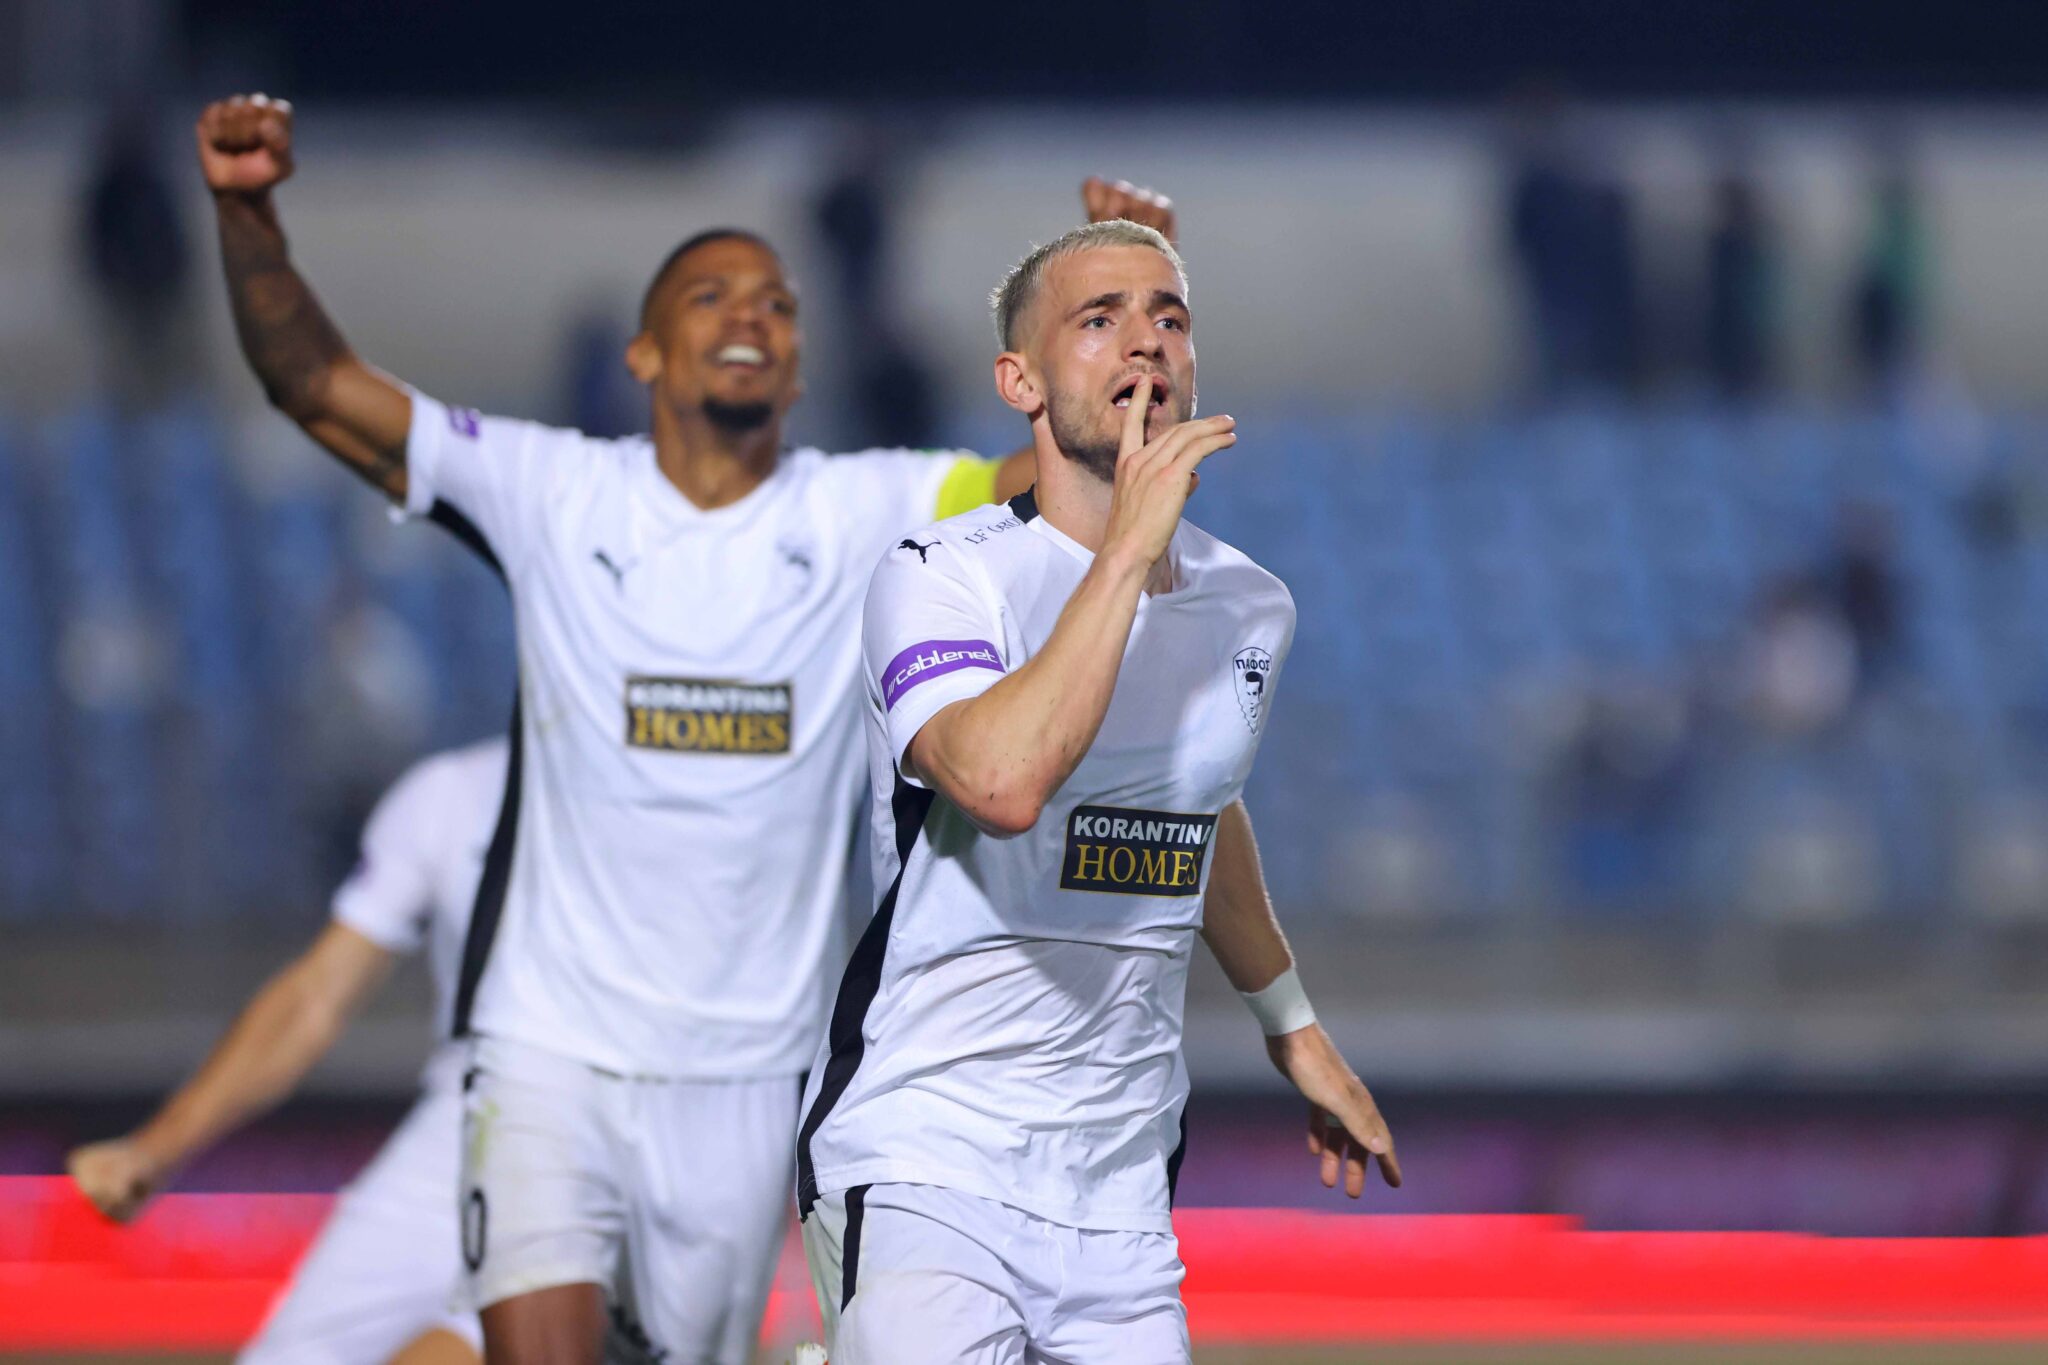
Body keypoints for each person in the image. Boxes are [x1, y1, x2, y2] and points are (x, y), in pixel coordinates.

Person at [192, 91, 1174, 1365]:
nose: (748, 316)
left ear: (800, 366)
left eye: (776, 304)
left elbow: (1068, 490)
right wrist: (248, 216)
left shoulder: (868, 509)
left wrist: (1115, 334)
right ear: (644, 356)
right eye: (709, 297)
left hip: (750, 1080)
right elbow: (316, 386)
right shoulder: (551, 490)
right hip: (550, 1053)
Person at [797, 220, 1401, 1364]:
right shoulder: (940, 575)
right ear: (1018, 382)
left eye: (1168, 317)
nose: (1145, 340)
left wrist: (1292, 1029)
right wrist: (1122, 553)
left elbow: (1195, 804)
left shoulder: (1248, 605)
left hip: (1119, 1192)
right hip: (928, 1158)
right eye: (1098, 318)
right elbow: (1000, 782)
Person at [67, 739, 508, 1365]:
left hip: (622, 1128)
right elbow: (314, 998)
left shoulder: (654, 799)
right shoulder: (452, 793)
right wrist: (155, 1149)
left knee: (511, 1339)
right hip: (465, 1124)